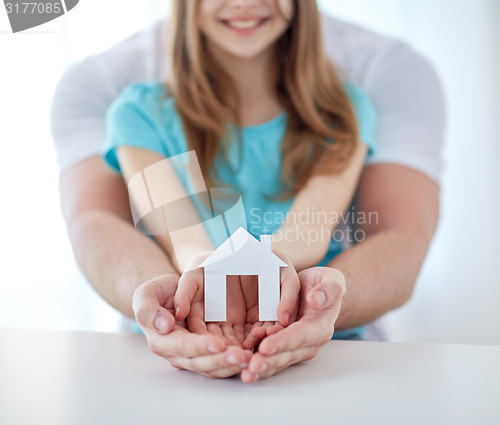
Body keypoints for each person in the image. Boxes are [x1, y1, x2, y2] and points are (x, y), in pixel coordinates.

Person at [50, 0, 444, 383]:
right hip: (177, 365)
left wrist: (278, 267)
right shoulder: (139, 114)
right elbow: (183, 235)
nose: (243, 3)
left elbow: (309, 226)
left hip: (324, 361)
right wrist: (202, 277)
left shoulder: (343, 112)